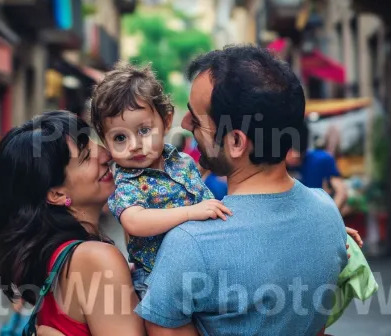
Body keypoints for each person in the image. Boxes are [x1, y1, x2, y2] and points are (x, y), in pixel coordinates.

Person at [133, 45, 351, 335]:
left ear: (236, 142)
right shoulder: (328, 214)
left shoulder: (191, 243)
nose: (185, 124)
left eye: (196, 119)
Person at [0, 111, 145, 336]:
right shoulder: (95, 258)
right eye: (86, 154)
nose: (106, 154)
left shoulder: (54, 258)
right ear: (56, 193)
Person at [90, 63, 231, 299]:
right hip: (157, 278)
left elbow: (191, 181)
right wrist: (190, 212)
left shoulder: (179, 160)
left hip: (203, 265)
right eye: (120, 137)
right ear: (105, 140)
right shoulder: (127, 181)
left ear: (166, 122)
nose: (134, 145)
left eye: (144, 130)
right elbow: (135, 221)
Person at [287, 121, 351, 216]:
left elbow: (341, 192)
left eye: (293, 151)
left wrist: (329, 216)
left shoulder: (321, 160)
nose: (289, 155)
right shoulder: (279, 168)